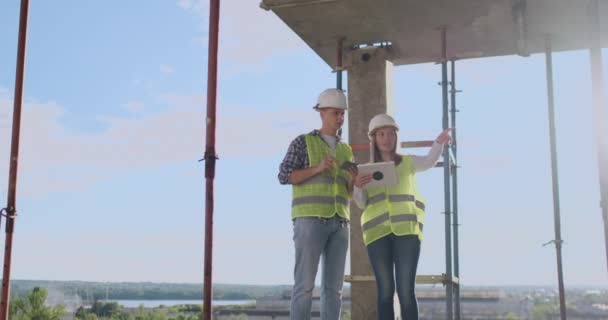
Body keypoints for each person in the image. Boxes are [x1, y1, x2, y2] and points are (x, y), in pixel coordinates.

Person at [353, 113, 452, 320]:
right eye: (381, 134)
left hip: (407, 233)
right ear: (374, 138)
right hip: (377, 235)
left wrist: (438, 143)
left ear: (396, 137)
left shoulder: (408, 163)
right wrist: (357, 187)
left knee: (406, 291)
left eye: (390, 134)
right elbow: (362, 203)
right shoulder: (364, 171)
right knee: (385, 292)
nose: (386, 138)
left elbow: (429, 161)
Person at [278, 88, 357, 320]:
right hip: (310, 221)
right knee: (304, 286)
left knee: (334, 290)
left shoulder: (346, 150)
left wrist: (354, 182)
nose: (340, 118)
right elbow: (284, 176)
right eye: (335, 113)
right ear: (321, 113)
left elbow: (348, 193)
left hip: (340, 223)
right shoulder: (302, 143)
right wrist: (318, 168)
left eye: (343, 114)